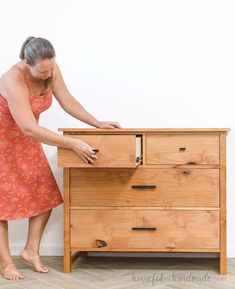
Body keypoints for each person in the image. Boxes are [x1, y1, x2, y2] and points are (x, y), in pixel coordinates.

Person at [0, 36, 122, 281]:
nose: (48, 74)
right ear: (26, 62)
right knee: (1, 205)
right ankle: (5, 263)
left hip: (26, 140)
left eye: (51, 68)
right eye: (43, 70)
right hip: (4, 140)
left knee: (46, 194)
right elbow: (28, 127)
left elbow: (67, 101)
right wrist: (72, 143)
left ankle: (30, 250)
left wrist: (96, 123)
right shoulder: (12, 80)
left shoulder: (50, 70)